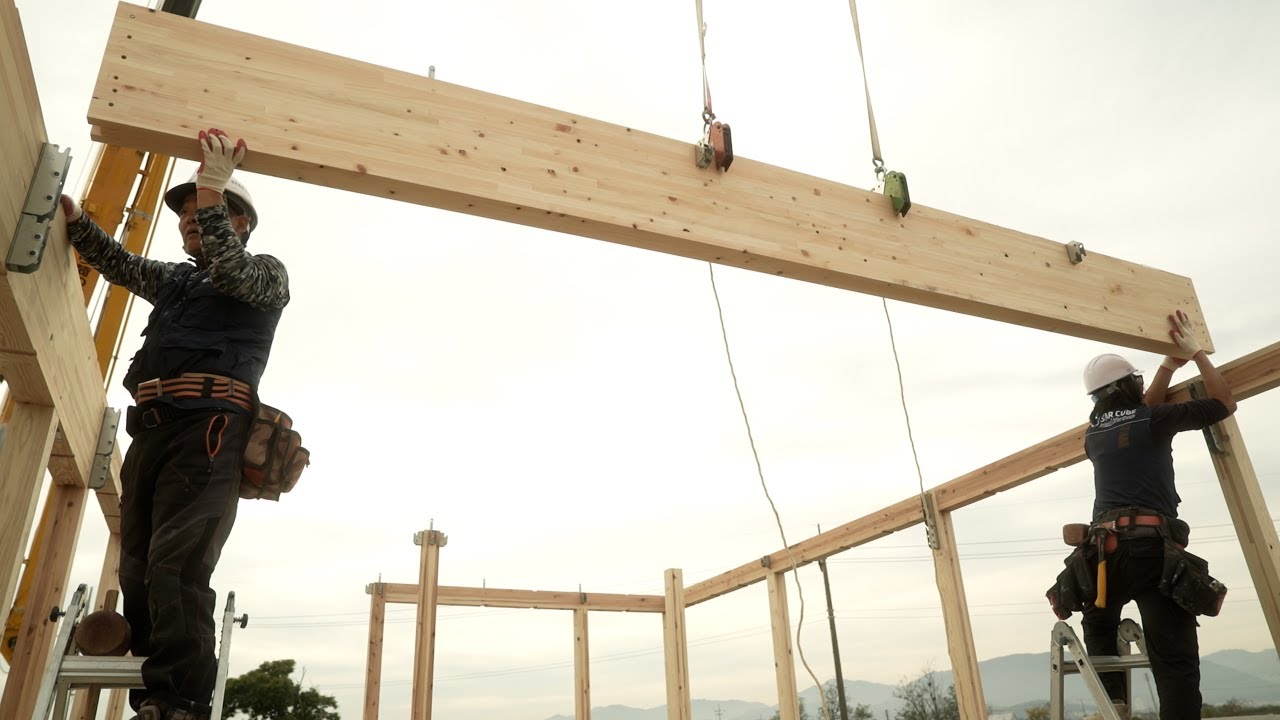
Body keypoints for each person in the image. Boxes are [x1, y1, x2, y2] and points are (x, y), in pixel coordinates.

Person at [61, 129, 289, 720]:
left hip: (209, 430)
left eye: (205, 212)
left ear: (240, 222)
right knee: (135, 566)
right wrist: (77, 223)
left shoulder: (265, 272)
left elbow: (234, 274)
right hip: (154, 430)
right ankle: (154, 700)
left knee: (176, 563)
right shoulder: (178, 282)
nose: (190, 219)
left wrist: (213, 188)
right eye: (186, 213)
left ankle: (179, 702)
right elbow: (120, 264)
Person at [1079, 309, 1236, 720]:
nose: (1144, 387)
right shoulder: (1154, 419)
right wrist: (1197, 353)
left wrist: (1168, 366)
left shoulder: (1093, 434)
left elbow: (1135, 415)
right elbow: (1223, 402)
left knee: (1097, 621)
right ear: (1127, 385)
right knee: (1175, 663)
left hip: (1103, 555)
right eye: (1139, 380)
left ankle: (1113, 701)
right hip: (1150, 553)